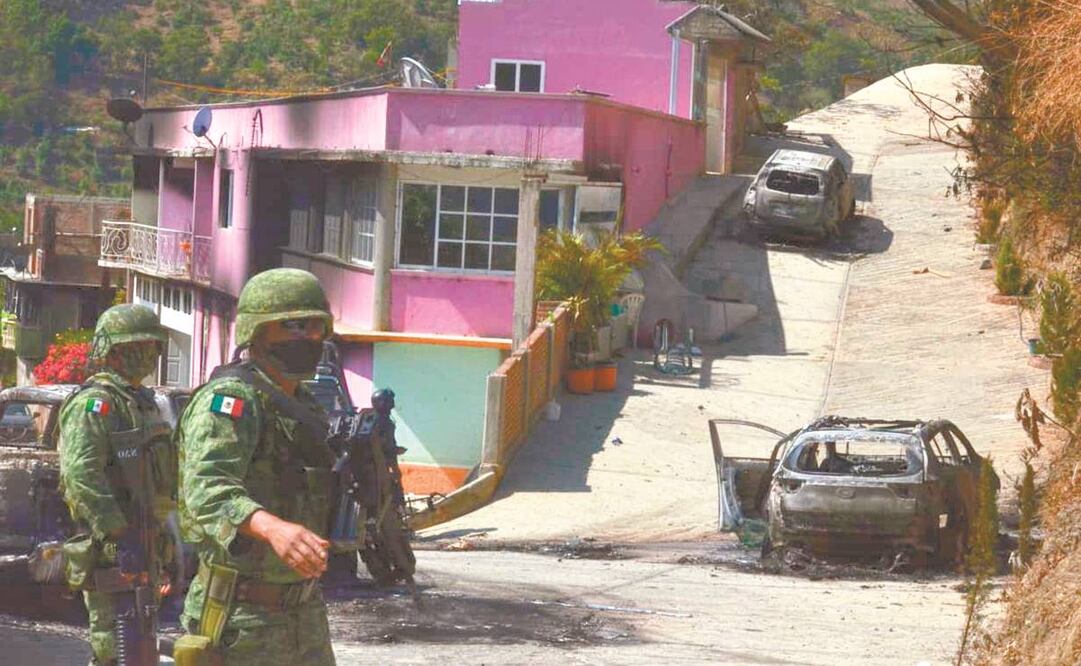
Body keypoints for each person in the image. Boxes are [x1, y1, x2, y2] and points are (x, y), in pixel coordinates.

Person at [175, 268, 337, 665]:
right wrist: (272, 528)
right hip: (240, 618)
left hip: (303, 610)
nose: (308, 337)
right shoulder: (231, 400)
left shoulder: (303, 406)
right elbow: (207, 490)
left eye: (316, 326)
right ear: (258, 332)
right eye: (294, 326)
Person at [58, 303, 174, 665]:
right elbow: (82, 476)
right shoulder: (96, 404)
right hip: (113, 550)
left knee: (142, 649)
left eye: (156, 346)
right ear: (118, 351)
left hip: (145, 543)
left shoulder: (142, 404)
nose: (153, 354)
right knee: (115, 648)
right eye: (145, 346)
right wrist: (120, 536)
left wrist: (162, 543)